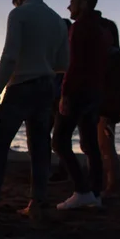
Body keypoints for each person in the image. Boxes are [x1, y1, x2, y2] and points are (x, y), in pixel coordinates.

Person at [0, 0, 69, 217]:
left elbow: (10, 54)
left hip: (21, 86)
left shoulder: (19, 14)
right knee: (40, 146)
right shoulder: (57, 21)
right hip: (46, 87)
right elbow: (64, 62)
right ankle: (37, 202)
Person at [52, 0, 112, 209]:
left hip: (78, 91)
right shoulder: (102, 28)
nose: (69, 6)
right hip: (95, 92)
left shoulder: (79, 28)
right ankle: (95, 194)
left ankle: (82, 190)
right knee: (90, 144)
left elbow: (73, 64)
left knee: (58, 141)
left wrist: (65, 94)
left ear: (84, 4)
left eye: (72, 2)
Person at [96, 14, 120, 196]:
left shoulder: (117, 60)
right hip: (103, 110)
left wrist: (111, 112)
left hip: (107, 111)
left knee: (106, 147)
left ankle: (112, 186)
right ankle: (107, 183)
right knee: (102, 146)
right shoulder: (111, 58)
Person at [48, 19, 73, 183]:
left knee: (59, 138)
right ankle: (52, 169)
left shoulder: (70, 50)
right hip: (52, 97)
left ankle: (65, 171)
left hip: (62, 97)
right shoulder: (57, 49)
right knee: (49, 135)